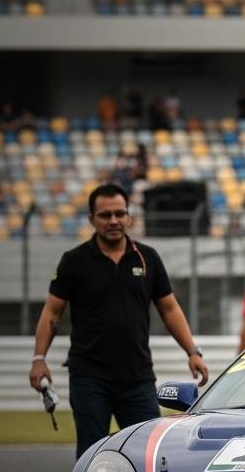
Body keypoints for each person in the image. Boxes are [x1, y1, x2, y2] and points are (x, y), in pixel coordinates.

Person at [30, 184, 210, 457]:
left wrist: (192, 351)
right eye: (105, 215)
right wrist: (38, 358)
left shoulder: (147, 258)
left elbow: (170, 308)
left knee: (147, 453)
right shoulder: (74, 261)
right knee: (91, 455)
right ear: (91, 219)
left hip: (137, 377)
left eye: (119, 213)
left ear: (129, 217)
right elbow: (52, 312)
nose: (113, 221)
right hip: (89, 377)